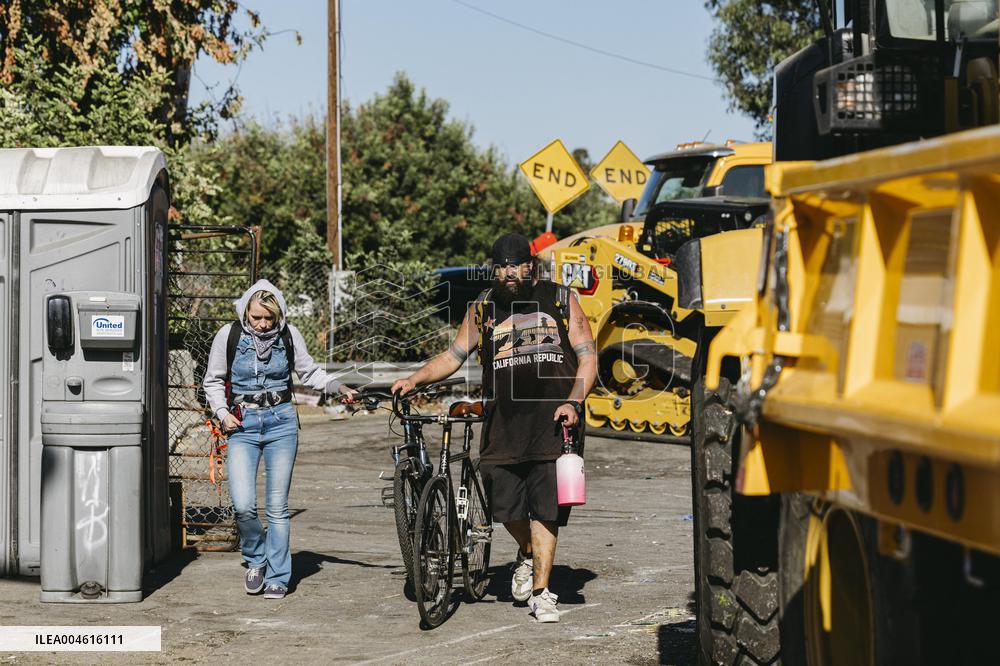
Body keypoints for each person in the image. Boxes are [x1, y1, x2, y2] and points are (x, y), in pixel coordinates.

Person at [392, 232, 597, 622]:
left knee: (545, 510)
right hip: (503, 422)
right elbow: (453, 356)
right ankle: (527, 551)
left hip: (553, 421)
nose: (508, 274)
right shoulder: (483, 308)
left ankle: (542, 592)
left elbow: (588, 357)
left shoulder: (559, 299)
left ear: (530, 267)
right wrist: (415, 379)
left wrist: (573, 401)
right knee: (503, 507)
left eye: (515, 266)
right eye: (501, 267)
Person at [203, 279, 356, 599]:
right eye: (256, 317)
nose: (262, 324)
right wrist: (221, 412)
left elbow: (310, 373)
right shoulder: (228, 335)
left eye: (268, 318)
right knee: (244, 505)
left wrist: (339, 388)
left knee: (276, 507)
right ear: (246, 311)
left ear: (278, 315)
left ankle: (278, 574)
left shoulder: (289, 335)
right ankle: (256, 560)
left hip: (281, 423)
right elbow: (213, 380)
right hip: (241, 424)